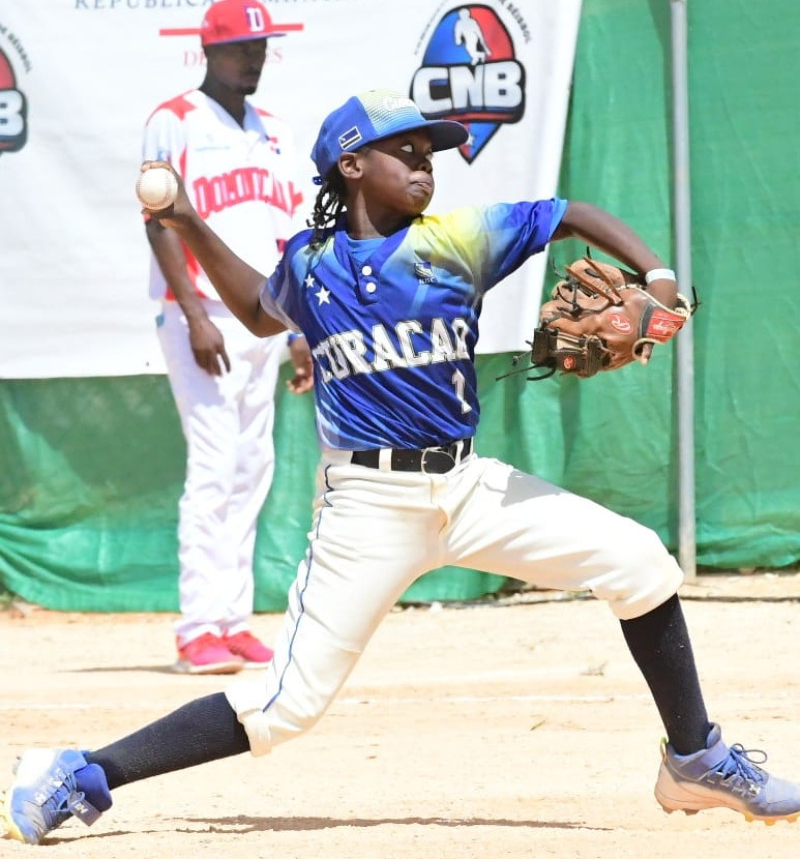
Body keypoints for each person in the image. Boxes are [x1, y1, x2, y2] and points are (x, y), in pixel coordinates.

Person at [3, 88, 800, 846]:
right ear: (349, 165)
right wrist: (184, 218)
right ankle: (77, 772)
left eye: (432, 154)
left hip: (469, 485)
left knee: (641, 563)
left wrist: (656, 277)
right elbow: (253, 307)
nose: (426, 165)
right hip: (367, 506)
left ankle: (694, 759)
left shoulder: (457, 238)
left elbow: (571, 215)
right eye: (406, 151)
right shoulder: (312, 267)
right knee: (284, 707)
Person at [142, 0, 313, 674]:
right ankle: (196, 627)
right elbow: (158, 218)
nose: (254, 57)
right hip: (204, 317)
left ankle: (233, 618)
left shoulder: (274, 128)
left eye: (261, 46)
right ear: (209, 52)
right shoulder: (175, 119)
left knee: (253, 467)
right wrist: (192, 313)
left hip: (264, 316)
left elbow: (293, 230)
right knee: (214, 465)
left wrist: (299, 329)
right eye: (241, 47)